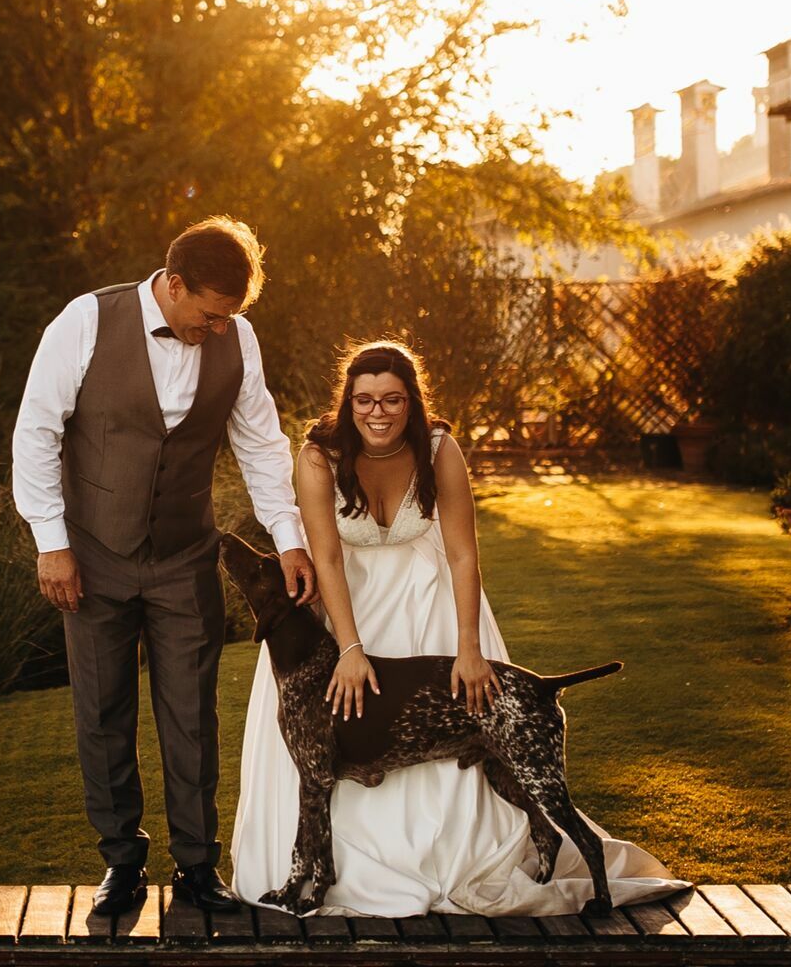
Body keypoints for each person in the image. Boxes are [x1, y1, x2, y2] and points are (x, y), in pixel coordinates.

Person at [230, 340, 686, 916]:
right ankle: (340, 876)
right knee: (336, 736)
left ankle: (462, 861)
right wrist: (349, 647)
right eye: (364, 400)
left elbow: (464, 555)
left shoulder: (440, 447)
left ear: (411, 402)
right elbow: (327, 559)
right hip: (350, 606)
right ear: (348, 402)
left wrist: (468, 648)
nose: (377, 412)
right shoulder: (319, 456)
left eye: (392, 400)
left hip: (433, 603)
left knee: (473, 720)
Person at [12, 217, 319, 917]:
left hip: (186, 555)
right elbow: (35, 430)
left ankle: (196, 867)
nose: (218, 329)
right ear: (174, 284)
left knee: (191, 713)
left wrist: (288, 537)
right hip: (92, 555)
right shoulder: (85, 321)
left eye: (229, 318)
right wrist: (51, 543)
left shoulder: (236, 337)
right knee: (102, 710)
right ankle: (121, 862)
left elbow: (261, 443)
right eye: (209, 315)